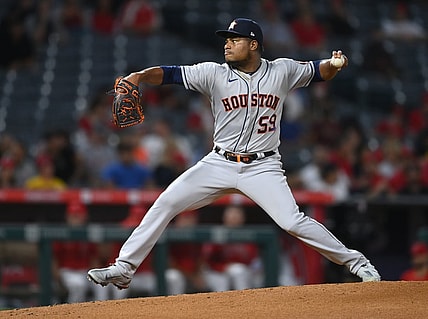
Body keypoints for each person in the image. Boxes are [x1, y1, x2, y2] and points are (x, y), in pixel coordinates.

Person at [87, 17, 380, 291]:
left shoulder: (282, 70)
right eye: (226, 39)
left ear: (253, 44)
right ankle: (124, 267)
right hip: (218, 162)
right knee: (165, 203)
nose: (227, 44)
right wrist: (139, 75)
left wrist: (335, 63)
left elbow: (320, 71)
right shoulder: (213, 73)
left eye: (234, 39)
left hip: (262, 167)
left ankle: (358, 264)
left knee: (291, 222)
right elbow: (170, 74)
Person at [202, 205, 260, 291]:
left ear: (243, 218)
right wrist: (223, 267)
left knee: (240, 271)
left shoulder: (248, 235)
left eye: (237, 214)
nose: (234, 217)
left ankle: (245, 302)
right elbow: (208, 260)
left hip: (243, 271)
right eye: (231, 214)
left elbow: (254, 260)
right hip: (216, 272)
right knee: (223, 281)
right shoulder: (217, 234)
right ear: (224, 217)